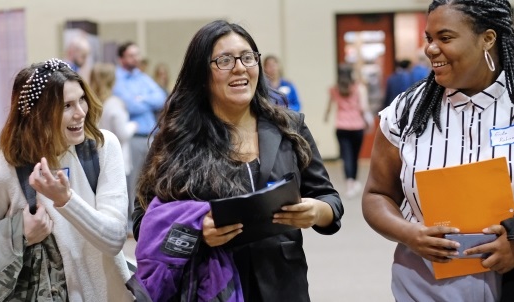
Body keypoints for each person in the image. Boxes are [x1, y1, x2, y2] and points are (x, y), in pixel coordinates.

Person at [361, 0, 514, 301]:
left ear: (487, 38)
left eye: (445, 38)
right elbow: (377, 195)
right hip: (427, 284)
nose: (431, 49)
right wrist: (410, 234)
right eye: (429, 38)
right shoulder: (406, 111)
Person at [132, 20, 344, 301]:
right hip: (213, 288)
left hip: (282, 284)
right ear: (202, 72)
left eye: (247, 57)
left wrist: (317, 211)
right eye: (224, 60)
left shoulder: (289, 127)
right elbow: (142, 220)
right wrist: (196, 233)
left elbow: (329, 198)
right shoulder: (177, 135)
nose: (240, 68)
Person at [0, 59, 134, 300]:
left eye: (81, 99)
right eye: (67, 105)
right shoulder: (6, 168)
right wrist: (19, 234)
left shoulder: (103, 147)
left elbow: (114, 239)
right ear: (38, 114)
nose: (80, 112)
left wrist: (66, 200)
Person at [113, 42, 167, 235]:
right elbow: (130, 106)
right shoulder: (117, 79)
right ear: (121, 59)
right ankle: (129, 223)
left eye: (137, 55)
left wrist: (140, 98)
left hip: (151, 137)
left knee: (152, 179)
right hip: (132, 138)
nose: (135, 59)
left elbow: (161, 97)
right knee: (133, 181)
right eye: (131, 55)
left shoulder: (141, 77)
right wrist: (144, 100)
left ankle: (150, 217)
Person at [324, 64, 370, 199]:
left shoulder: (334, 89)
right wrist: (368, 122)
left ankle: (350, 183)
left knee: (346, 156)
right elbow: (363, 107)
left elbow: (329, 107)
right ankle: (354, 181)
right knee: (355, 156)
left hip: (341, 126)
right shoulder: (359, 88)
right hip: (357, 127)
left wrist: (326, 117)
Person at [91, 62, 138, 180]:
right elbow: (122, 134)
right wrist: (133, 125)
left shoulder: (89, 103)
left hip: (97, 160)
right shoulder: (114, 104)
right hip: (117, 161)